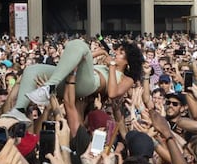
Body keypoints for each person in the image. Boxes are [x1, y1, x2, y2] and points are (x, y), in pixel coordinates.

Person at [8, 38, 143, 121]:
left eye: (121, 53)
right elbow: (80, 56)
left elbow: (113, 93)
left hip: (88, 84)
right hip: (72, 79)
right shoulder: (104, 63)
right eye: (116, 51)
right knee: (32, 70)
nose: (115, 54)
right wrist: (101, 52)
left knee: (79, 44)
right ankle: (19, 109)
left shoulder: (127, 78)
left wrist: (112, 67)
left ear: (128, 61)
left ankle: (50, 87)